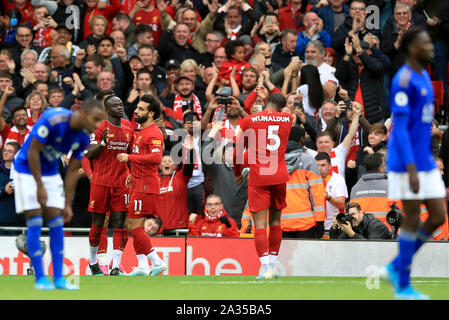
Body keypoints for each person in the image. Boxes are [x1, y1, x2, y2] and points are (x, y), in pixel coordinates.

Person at [380, 26, 447, 300]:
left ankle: (395, 267)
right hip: (406, 161)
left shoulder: (422, 76)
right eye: (424, 42)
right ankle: (402, 287)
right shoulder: (404, 80)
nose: (431, 46)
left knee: (438, 216)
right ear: (411, 47)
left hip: (425, 160)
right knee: (410, 217)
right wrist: (411, 167)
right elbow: (402, 128)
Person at [11, 99, 106, 290]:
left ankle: (59, 279)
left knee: (57, 223)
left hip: (51, 172)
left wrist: (67, 203)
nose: (97, 126)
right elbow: (33, 152)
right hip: (26, 169)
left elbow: (72, 171)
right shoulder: (53, 119)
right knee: (36, 221)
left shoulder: (84, 138)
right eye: (96, 120)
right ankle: (40, 279)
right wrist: (39, 186)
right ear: (84, 114)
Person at [234, 92, 293, 279]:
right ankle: (273, 267)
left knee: (259, 225)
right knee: (276, 222)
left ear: (265, 102)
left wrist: (237, 174)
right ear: (283, 106)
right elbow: (284, 110)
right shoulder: (288, 119)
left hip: (259, 177)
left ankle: (265, 267)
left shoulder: (250, 120)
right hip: (279, 175)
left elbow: (237, 150)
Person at [116, 94, 167, 276]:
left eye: (141, 109)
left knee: (133, 226)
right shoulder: (140, 132)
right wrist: (132, 173)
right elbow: (143, 158)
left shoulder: (153, 133)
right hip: (138, 183)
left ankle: (156, 261)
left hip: (146, 187)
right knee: (133, 225)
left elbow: (156, 158)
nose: (136, 111)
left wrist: (129, 158)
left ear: (151, 113)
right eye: (137, 108)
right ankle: (143, 266)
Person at [86, 95, 134, 276]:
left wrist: (132, 175)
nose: (120, 107)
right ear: (107, 110)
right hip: (101, 183)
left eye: (121, 104)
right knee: (98, 224)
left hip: (121, 184)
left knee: (120, 223)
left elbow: (131, 155)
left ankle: (116, 266)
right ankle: (93, 262)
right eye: (115, 105)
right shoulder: (99, 127)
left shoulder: (129, 127)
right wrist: (104, 143)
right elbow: (90, 154)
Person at [283, 126, 325, 239]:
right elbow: (317, 193)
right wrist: (320, 220)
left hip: (281, 222)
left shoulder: (275, 161)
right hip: (305, 223)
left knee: (284, 257)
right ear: (302, 140)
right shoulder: (309, 161)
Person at [350, 152, 391, 229]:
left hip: (362, 236)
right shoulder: (390, 186)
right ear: (380, 168)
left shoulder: (355, 189)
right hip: (386, 235)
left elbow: (352, 215)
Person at [314, 152, 347, 234]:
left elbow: (341, 205)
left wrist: (329, 198)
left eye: (323, 165)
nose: (319, 168)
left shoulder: (338, 179)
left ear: (330, 166)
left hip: (334, 225)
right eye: (317, 165)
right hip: (315, 225)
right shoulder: (310, 179)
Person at [0, 141, 21, 235]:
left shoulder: (22, 171)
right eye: (5, 150)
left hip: (16, 218)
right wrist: (4, 189)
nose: (6, 153)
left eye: (10, 151)